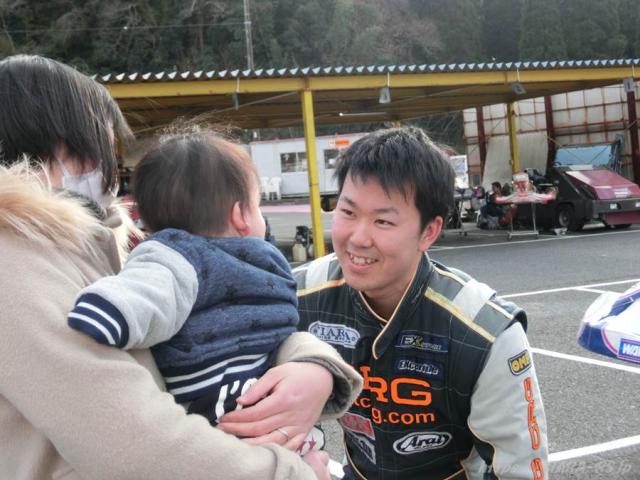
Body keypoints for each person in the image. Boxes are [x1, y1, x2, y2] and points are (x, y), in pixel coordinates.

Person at [0, 54, 361, 480]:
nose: (108, 166)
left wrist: (312, 365)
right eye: (100, 147)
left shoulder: (92, 245)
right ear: (57, 145)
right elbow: (135, 445)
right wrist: (294, 472)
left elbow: (236, 325)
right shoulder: (14, 267)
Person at [292, 127, 548, 479]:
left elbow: (520, 469)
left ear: (429, 231)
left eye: (383, 221)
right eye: (348, 212)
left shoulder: (485, 332)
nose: (358, 238)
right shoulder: (301, 295)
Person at [66, 132, 331, 453]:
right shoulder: (176, 255)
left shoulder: (255, 257)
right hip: (210, 397)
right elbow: (146, 289)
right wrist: (108, 312)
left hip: (258, 385)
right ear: (240, 215)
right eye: (258, 206)